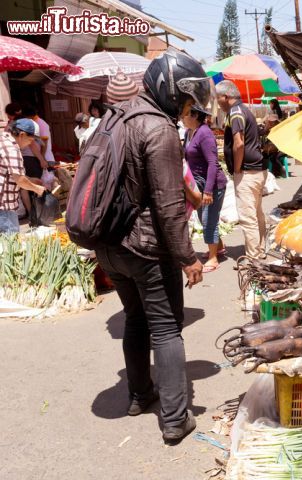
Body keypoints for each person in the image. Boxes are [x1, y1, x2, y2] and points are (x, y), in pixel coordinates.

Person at [92, 50, 213, 445]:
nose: (185, 108)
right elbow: (168, 203)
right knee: (165, 327)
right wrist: (187, 257)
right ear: (167, 89)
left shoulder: (113, 119)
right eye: (183, 100)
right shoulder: (158, 128)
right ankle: (176, 418)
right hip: (144, 248)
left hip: (110, 245)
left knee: (135, 319)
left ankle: (139, 394)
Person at [216, 80, 267, 259]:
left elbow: (239, 144)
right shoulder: (243, 110)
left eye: (218, 98)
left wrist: (237, 168)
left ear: (226, 97)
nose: (217, 102)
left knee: (248, 217)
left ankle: (254, 257)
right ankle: (260, 249)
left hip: (247, 171)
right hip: (257, 170)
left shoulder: (235, 112)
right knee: (257, 213)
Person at [183, 105, 227, 273]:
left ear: (195, 115)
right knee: (204, 218)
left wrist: (208, 190)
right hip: (198, 185)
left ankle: (213, 258)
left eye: (186, 114)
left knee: (209, 219)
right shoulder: (189, 133)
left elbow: (212, 163)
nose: (182, 117)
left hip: (213, 185)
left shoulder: (205, 133)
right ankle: (219, 247)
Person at [0, 119, 46, 233]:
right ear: (22, 135)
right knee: (9, 247)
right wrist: (38, 189)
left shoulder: (3, 139)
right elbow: (20, 180)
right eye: (31, 139)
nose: (30, 143)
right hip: (4, 208)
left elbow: (9, 173)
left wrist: (30, 180)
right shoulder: (12, 149)